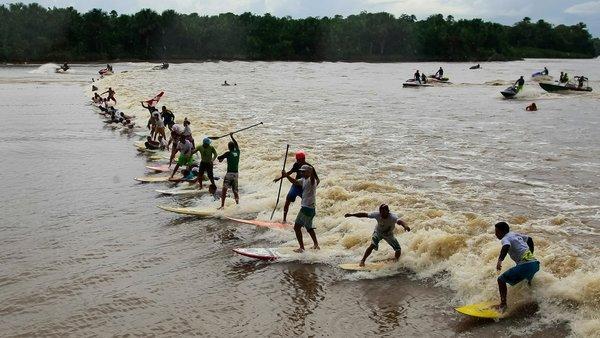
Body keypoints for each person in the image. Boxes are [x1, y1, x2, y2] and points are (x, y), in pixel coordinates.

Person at [494, 221, 540, 312]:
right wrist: (530, 253)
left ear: (502, 232)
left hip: (526, 266)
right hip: (535, 264)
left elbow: (506, 246)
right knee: (527, 282)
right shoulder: (514, 234)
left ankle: (503, 305)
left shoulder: (505, 238)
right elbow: (529, 239)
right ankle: (532, 302)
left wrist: (500, 260)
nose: (495, 234)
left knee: (501, 280)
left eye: (497, 232)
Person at [345, 204, 411, 266]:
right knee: (372, 245)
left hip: (389, 234)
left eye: (384, 212)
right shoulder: (377, 214)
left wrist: (405, 226)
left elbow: (400, 221)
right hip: (378, 232)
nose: (382, 214)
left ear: (388, 211)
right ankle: (362, 261)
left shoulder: (393, 217)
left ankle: (396, 262)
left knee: (398, 249)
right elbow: (364, 214)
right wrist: (352, 215)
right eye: (381, 212)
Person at [281, 165, 320, 252]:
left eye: (303, 171)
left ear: (309, 173)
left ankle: (302, 248)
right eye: (301, 171)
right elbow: (294, 182)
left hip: (307, 209)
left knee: (296, 227)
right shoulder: (303, 180)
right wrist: (286, 175)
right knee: (309, 227)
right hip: (310, 209)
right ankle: (316, 245)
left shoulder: (312, 180)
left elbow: (314, 178)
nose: (301, 173)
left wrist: (312, 169)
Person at [273, 150, 319, 223]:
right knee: (288, 200)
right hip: (295, 185)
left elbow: (317, 180)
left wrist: (311, 188)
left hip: (304, 189)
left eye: (299, 160)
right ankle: (284, 220)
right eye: (297, 160)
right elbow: (290, 173)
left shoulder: (310, 168)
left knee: (308, 204)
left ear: (303, 159)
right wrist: (279, 178)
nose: (298, 161)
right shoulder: (296, 165)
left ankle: (309, 221)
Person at [216, 134, 240, 209]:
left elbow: (219, 157)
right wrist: (232, 136)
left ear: (229, 147)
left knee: (224, 190)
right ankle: (237, 205)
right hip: (236, 174)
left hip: (229, 174)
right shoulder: (238, 152)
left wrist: (222, 159)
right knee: (235, 191)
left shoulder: (228, 153)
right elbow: (236, 144)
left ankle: (222, 206)